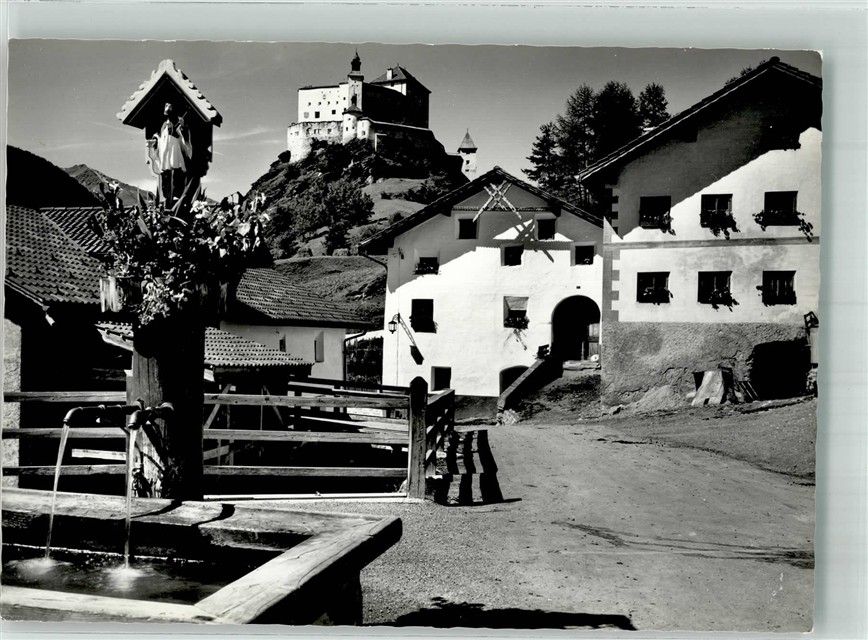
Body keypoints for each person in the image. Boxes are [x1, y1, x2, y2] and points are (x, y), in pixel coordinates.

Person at [147, 102, 192, 208]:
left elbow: (184, 137)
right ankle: (166, 196)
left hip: (174, 150)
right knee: (165, 174)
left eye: (170, 107)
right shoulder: (163, 124)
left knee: (177, 171)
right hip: (164, 152)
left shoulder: (178, 122)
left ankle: (177, 194)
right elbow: (157, 136)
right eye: (166, 107)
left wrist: (182, 127)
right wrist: (154, 141)